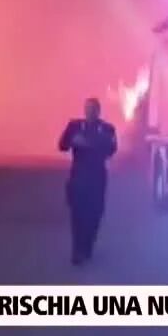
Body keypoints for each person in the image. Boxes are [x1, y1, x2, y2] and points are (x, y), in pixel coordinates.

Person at [57, 97, 117, 265]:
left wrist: (85, 144)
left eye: (94, 109)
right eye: (88, 108)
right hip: (78, 178)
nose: (90, 111)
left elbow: (111, 150)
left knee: (95, 214)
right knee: (77, 215)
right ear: (84, 110)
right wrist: (74, 141)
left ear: (99, 111)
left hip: (97, 179)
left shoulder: (107, 129)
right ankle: (77, 250)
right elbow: (62, 145)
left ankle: (87, 245)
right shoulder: (74, 126)